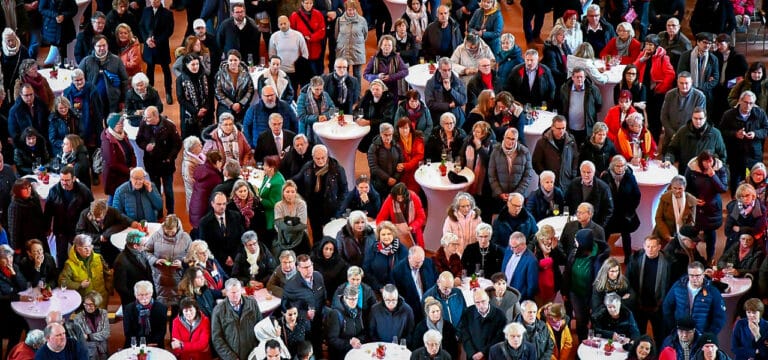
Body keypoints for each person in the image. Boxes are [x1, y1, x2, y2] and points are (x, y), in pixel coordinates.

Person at [292, 144, 348, 242]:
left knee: (330, 235)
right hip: (313, 208)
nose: (321, 161)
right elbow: (297, 180)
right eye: (317, 158)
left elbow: (344, 191)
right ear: (313, 157)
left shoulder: (337, 169)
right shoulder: (308, 167)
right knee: (316, 234)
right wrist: (284, 183)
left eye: (323, 158)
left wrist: (339, 209)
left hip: (331, 208)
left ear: (327, 156)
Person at [144, 215, 191, 330]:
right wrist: (155, 261)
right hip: (160, 280)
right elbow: (146, 251)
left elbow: (191, 256)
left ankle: (174, 338)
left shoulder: (185, 237)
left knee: (177, 315)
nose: (170, 233)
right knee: (160, 314)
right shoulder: (156, 236)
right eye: (167, 231)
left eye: (172, 231)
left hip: (178, 280)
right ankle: (159, 340)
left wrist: (182, 263)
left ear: (177, 228)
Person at [44, 165, 94, 267]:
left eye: (67, 180)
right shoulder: (54, 191)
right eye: (62, 179)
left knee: (80, 253)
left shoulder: (84, 191)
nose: (64, 183)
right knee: (61, 254)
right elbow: (48, 211)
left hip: (77, 228)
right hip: (61, 227)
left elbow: (91, 210)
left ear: (74, 179)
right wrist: (47, 228)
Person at [136, 106, 182, 216]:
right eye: (145, 117)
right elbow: (139, 139)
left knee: (168, 191)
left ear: (156, 116)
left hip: (166, 165)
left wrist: (169, 158)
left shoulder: (169, 126)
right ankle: (159, 211)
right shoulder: (144, 124)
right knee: (155, 190)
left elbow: (177, 144)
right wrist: (145, 146)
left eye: (148, 118)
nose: (145, 120)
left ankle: (171, 213)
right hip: (151, 164)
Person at [720, 91, 768, 194]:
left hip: (754, 153)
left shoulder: (760, 113)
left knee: (753, 179)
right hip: (735, 153)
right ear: (740, 101)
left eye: (751, 103)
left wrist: (755, 134)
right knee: (735, 179)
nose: (748, 105)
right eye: (745, 102)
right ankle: (735, 200)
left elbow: (765, 129)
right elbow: (722, 131)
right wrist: (735, 134)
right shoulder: (728, 115)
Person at [685, 150, 728, 261]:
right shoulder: (692, 168)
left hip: (712, 206)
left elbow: (723, 188)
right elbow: (686, 186)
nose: (708, 164)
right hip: (696, 205)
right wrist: (693, 199)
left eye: (710, 161)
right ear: (700, 161)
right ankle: (693, 256)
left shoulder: (720, 168)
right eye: (705, 161)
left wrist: (713, 176)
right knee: (692, 231)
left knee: (710, 233)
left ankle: (710, 258)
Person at [563, 229, 605, 340]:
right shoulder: (574, 252)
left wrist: (593, 301)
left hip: (591, 295)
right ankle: (582, 342)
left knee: (594, 320)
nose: (575, 243)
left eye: (577, 241)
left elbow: (599, 282)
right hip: (575, 292)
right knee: (580, 320)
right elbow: (567, 273)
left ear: (584, 243)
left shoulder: (599, 258)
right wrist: (565, 291)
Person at [633, 34, 677, 142]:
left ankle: (654, 143)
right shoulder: (643, 54)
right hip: (644, 90)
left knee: (655, 119)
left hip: (657, 93)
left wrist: (660, 88)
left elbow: (670, 74)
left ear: (656, 46)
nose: (648, 47)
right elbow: (633, 68)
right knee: (643, 116)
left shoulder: (663, 57)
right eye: (647, 44)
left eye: (651, 45)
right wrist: (642, 59)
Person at [664, 261, 726, 335]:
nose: (694, 279)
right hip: (681, 334)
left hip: (700, 335)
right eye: (691, 275)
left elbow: (720, 317)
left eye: (698, 276)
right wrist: (674, 328)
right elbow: (667, 306)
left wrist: (708, 336)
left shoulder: (712, 291)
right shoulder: (678, 286)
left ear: (703, 275)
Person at [282, 254, 326, 351]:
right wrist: (305, 314)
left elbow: (323, 296)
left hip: (319, 318)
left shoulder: (318, 276)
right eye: (305, 267)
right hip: (303, 324)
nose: (309, 269)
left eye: (310, 266)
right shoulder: (291, 285)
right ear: (298, 268)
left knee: (318, 346)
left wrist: (323, 312)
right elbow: (286, 307)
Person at [600, 155, 641, 258]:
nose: (620, 168)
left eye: (622, 166)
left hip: (624, 212)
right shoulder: (606, 176)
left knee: (626, 235)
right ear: (612, 166)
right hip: (610, 212)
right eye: (617, 166)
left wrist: (630, 210)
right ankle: (601, 256)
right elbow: (601, 194)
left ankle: (628, 258)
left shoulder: (630, 177)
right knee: (605, 234)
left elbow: (637, 195)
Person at [663, 107, 727, 172]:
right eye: (695, 118)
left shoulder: (715, 134)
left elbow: (722, 155)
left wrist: (717, 170)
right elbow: (671, 149)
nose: (698, 121)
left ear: (705, 118)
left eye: (700, 119)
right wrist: (668, 160)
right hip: (686, 171)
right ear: (692, 117)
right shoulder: (683, 131)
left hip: (707, 175)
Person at [211, 278, 262, 359]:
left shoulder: (252, 303)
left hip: (253, 353)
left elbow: (260, 326)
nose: (236, 295)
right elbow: (217, 339)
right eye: (233, 292)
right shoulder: (218, 310)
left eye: (238, 291)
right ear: (226, 293)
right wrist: (231, 358)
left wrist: (259, 350)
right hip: (232, 356)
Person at [75, 199, 136, 266]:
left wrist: (108, 233)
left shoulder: (111, 211)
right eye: (95, 217)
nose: (97, 220)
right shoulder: (84, 214)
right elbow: (80, 233)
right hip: (94, 246)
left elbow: (123, 222)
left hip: (110, 244)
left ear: (106, 211)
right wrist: (99, 238)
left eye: (100, 217)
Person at [78, 34, 129, 114]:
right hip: (92, 102)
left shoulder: (117, 60)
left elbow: (124, 81)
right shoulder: (86, 61)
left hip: (112, 102)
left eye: (104, 45)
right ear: (94, 47)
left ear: (107, 46)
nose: (102, 48)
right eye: (99, 46)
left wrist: (123, 100)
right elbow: (78, 80)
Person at [199, 192, 247, 272]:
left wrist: (234, 256)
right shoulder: (205, 222)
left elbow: (242, 238)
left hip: (237, 260)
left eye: (224, 204)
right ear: (212, 204)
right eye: (219, 204)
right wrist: (224, 258)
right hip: (217, 263)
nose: (222, 207)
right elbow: (205, 245)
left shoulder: (236, 216)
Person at [660, 72, 708, 149]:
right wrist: (672, 134)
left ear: (691, 82)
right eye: (681, 83)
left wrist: (683, 135)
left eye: (686, 83)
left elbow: (699, 119)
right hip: (670, 137)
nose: (684, 86)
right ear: (677, 82)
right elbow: (664, 116)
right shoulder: (669, 94)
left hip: (689, 137)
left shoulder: (700, 96)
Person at [532, 115, 580, 190]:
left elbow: (575, 157)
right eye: (558, 128)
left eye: (563, 128)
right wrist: (545, 176)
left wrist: (573, 173)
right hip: (548, 184)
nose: (561, 131)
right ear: (552, 127)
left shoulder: (571, 141)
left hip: (566, 182)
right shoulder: (542, 142)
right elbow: (536, 162)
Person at [458, 289, 508, 360]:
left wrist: (483, 352)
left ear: (488, 299)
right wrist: (472, 353)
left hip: (492, 355)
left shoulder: (500, 315)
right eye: (477, 302)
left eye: (483, 301)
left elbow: (500, 338)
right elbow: (465, 334)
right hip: (473, 356)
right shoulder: (468, 313)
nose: (481, 305)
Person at [488, 128, 533, 205]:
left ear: (517, 140)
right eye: (508, 138)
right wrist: (500, 193)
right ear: (504, 137)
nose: (510, 141)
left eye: (513, 139)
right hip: (499, 197)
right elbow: (491, 175)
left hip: (518, 198)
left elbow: (528, 176)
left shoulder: (524, 152)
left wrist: (516, 194)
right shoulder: (495, 151)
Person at [392, 246, 437, 322]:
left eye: (421, 261)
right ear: (409, 258)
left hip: (429, 306)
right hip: (412, 310)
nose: (419, 264)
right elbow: (399, 295)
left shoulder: (429, 263)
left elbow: (435, 283)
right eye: (416, 262)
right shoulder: (398, 271)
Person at [0, 244, 30, 357]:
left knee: (25, 326)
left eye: (11, 257)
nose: (9, 260)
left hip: (16, 310)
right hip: (3, 311)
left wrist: (14, 274)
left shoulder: (15, 267)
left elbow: (24, 287)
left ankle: (15, 354)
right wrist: (18, 297)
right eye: (5, 258)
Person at [376, 183, 426, 247]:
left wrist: (412, 227)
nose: (400, 200)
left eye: (402, 198)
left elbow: (421, 217)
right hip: (396, 231)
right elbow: (380, 218)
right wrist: (387, 229)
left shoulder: (414, 198)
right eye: (397, 198)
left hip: (414, 231)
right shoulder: (390, 199)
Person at [363, 221, 408, 292]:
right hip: (378, 289)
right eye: (383, 234)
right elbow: (367, 270)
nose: (386, 237)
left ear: (393, 234)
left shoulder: (402, 249)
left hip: (398, 289)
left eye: (389, 234)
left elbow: (406, 271)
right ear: (379, 236)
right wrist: (379, 287)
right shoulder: (372, 249)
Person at [325, 284, 368, 358]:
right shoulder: (336, 314)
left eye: (355, 298)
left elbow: (364, 332)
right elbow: (332, 339)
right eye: (351, 299)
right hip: (340, 354)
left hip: (356, 351)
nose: (353, 301)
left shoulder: (359, 311)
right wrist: (349, 343)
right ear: (344, 297)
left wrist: (358, 340)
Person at [122, 280, 168, 348]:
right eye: (141, 295)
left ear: (151, 293)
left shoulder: (161, 308)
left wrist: (150, 344)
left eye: (147, 294)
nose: (144, 298)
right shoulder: (129, 309)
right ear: (136, 295)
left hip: (154, 343)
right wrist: (143, 344)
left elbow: (161, 331)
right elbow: (128, 332)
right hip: (135, 342)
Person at [101, 114, 136, 202]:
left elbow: (131, 151)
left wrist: (133, 166)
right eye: (118, 124)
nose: (121, 125)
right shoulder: (107, 141)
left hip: (126, 174)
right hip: (115, 177)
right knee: (114, 199)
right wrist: (128, 170)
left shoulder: (124, 135)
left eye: (122, 123)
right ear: (112, 125)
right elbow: (112, 163)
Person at [177, 55, 213, 139]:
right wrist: (196, 111)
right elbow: (181, 99)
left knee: (205, 138)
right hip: (189, 113)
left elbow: (210, 94)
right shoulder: (180, 79)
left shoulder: (204, 76)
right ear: (186, 65)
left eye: (197, 64)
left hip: (205, 111)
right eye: (193, 65)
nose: (196, 67)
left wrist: (205, 107)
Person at [113, 230, 153, 306]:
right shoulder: (121, 262)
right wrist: (139, 297)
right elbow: (121, 287)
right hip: (133, 302)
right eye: (144, 245)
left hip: (145, 297)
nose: (146, 247)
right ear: (135, 246)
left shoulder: (141, 252)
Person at [214, 50, 254, 122]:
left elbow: (250, 90)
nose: (233, 62)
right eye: (231, 60)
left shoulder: (246, 74)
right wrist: (231, 105)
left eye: (235, 60)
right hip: (225, 105)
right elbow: (218, 91)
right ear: (227, 61)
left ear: (239, 61)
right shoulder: (220, 74)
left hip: (242, 105)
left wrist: (241, 104)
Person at [724, 184, 767, 252]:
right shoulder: (733, 207)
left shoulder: (761, 209)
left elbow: (759, 230)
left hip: (754, 242)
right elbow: (727, 231)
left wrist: (740, 229)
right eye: (742, 196)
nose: (744, 199)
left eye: (747, 195)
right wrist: (749, 230)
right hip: (736, 240)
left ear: (753, 195)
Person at [273, 180, 310, 256]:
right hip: (283, 238)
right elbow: (279, 225)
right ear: (283, 193)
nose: (290, 194)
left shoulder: (301, 204)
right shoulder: (278, 205)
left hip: (300, 237)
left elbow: (303, 224)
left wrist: (286, 226)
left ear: (296, 192)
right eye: (287, 191)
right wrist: (295, 224)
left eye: (292, 191)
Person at [289, 0, 325, 75]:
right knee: (303, 76)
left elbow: (322, 30)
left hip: (315, 49)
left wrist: (311, 37)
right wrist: (301, 38)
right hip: (301, 50)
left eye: (310, 3)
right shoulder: (295, 15)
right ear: (302, 3)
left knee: (315, 73)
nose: (308, 5)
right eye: (306, 3)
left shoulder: (318, 14)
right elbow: (291, 32)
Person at [368, 123, 404, 198]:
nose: (388, 138)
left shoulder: (396, 145)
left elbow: (401, 163)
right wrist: (388, 179)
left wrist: (395, 178)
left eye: (390, 135)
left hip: (395, 180)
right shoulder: (373, 147)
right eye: (385, 135)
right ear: (381, 134)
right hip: (379, 182)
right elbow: (373, 167)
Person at [296, 76, 335, 144]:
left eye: (321, 89)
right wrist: (317, 118)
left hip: (324, 127)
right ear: (311, 87)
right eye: (316, 89)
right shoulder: (302, 97)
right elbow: (301, 116)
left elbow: (333, 109)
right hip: (307, 129)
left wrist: (326, 116)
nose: (319, 91)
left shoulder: (325, 95)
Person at [334, 0, 368, 80]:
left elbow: (365, 35)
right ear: (346, 10)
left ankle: (357, 92)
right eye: (349, 10)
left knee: (357, 74)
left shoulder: (362, 21)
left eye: (353, 9)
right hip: (343, 50)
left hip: (357, 51)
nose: (351, 12)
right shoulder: (339, 20)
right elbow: (337, 35)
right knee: (344, 73)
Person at [501, 231, 539, 300]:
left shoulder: (531, 261)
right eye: (510, 246)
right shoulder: (509, 250)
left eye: (514, 247)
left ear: (523, 245)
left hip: (518, 299)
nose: (511, 249)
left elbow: (532, 287)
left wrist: (523, 299)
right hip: (504, 295)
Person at [72, 291, 109, 359]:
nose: (88, 307)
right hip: (89, 353)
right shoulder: (78, 318)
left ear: (96, 304)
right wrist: (98, 336)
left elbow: (106, 333)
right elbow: (82, 338)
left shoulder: (104, 313)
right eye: (86, 304)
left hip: (103, 350)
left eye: (91, 304)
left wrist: (89, 336)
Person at [395, 117, 425, 193]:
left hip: (415, 167)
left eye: (406, 128)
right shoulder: (395, 140)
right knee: (401, 191)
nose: (404, 130)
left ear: (410, 128)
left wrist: (407, 165)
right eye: (401, 128)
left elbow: (419, 156)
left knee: (413, 191)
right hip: (401, 170)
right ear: (398, 129)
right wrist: (399, 166)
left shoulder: (417, 138)